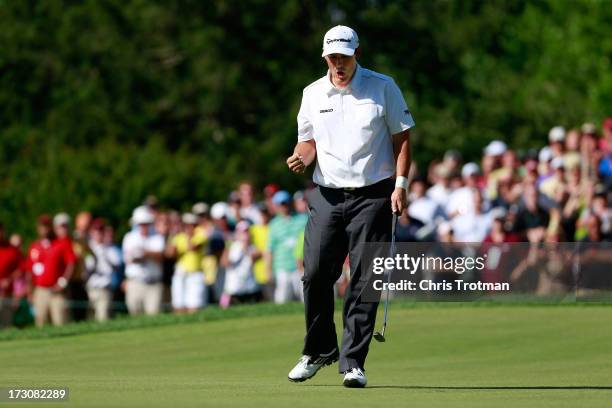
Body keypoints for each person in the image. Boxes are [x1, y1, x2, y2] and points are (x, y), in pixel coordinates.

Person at [285, 25, 414, 388]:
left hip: (373, 194)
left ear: (357, 52)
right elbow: (307, 142)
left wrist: (400, 185)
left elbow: (402, 139)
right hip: (327, 196)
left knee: (364, 279)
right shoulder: (312, 93)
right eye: (333, 57)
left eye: (344, 56)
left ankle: (353, 361)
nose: (338, 63)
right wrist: (300, 157)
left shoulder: (382, 86)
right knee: (314, 274)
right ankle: (319, 349)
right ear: (325, 57)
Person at [26, 214, 76, 327]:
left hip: (57, 291)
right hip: (40, 290)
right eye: (42, 226)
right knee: (40, 323)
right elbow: (29, 270)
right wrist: (29, 291)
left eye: (46, 226)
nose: (44, 229)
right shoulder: (34, 246)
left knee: (61, 321)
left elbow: (71, 263)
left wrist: (63, 282)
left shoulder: (62, 243)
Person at [122, 206, 165, 316]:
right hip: (135, 282)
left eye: (146, 223)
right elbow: (129, 259)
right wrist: (148, 254)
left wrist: (146, 253)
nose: (144, 226)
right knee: (135, 314)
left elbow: (160, 257)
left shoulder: (157, 237)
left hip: (153, 283)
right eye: (141, 223)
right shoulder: (129, 237)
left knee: (153, 314)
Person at [168, 213, 207, 313]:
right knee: (178, 306)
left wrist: (186, 237)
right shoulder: (178, 236)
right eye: (186, 225)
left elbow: (193, 247)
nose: (188, 227)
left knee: (194, 306)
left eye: (191, 225)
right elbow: (170, 254)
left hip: (195, 273)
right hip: (180, 273)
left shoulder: (200, 233)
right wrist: (173, 236)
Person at [85, 219, 121, 321]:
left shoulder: (110, 248)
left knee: (102, 317)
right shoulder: (88, 247)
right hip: (90, 287)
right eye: (96, 230)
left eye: (101, 230)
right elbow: (86, 268)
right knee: (90, 318)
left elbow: (116, 267)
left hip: (105, 287)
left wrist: (104, 254)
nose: (98, 233)